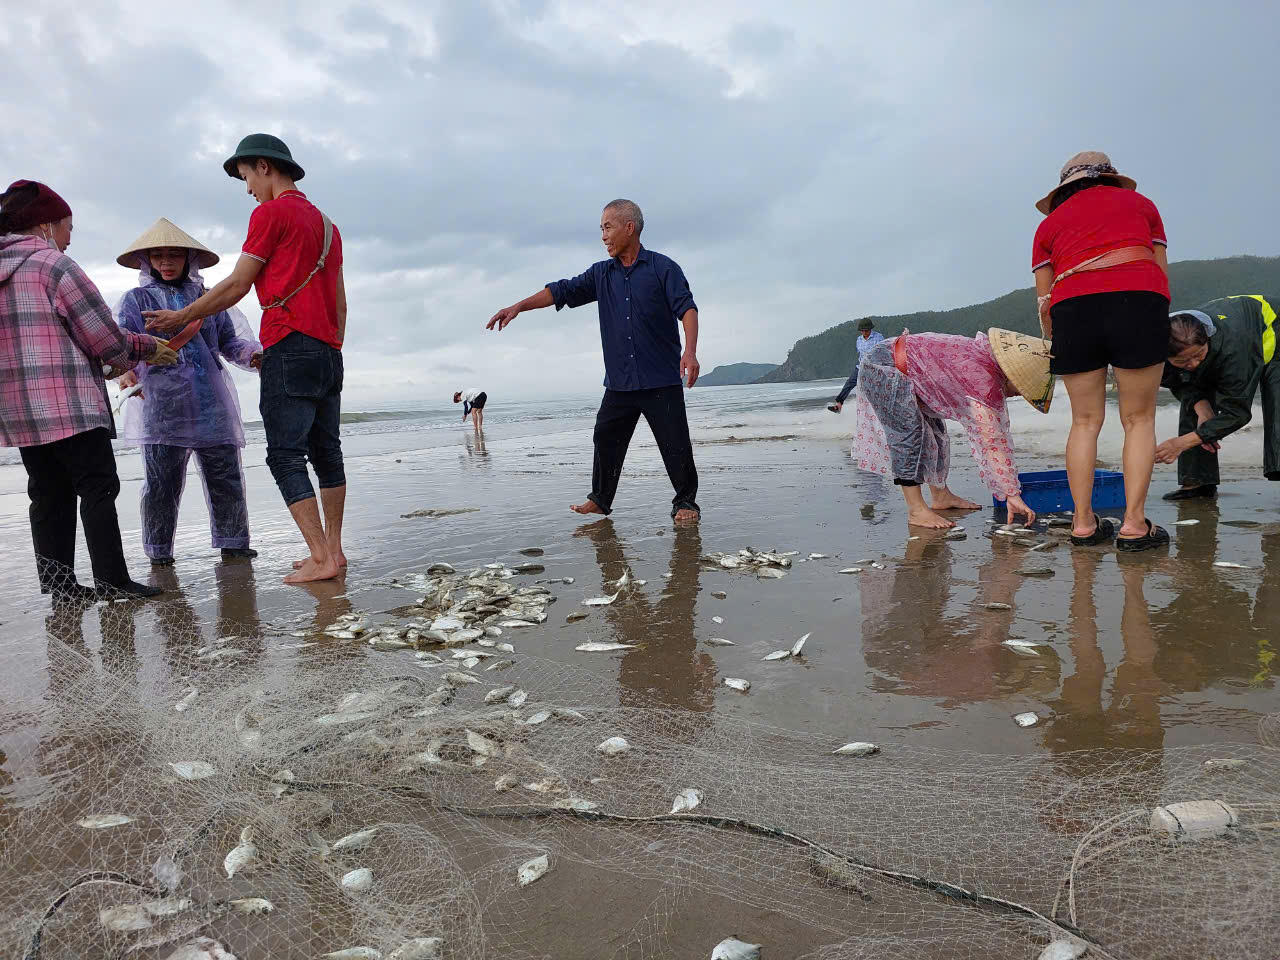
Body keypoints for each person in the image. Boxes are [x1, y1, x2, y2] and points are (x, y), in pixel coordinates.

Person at [139, 134, 348, 584]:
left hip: (288, 344)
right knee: (327, 453)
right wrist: (331, 345)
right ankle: (334, 550)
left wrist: (182, 315)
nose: (248, 189)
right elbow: (340, 299)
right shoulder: (329, 226)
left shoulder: (269, 214)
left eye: (246, 177)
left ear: (264, 167)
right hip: (329, 351)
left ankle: (320, 557)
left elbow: (237, 284)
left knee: (286, 456)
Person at [0, 179, 177, 601]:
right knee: (98, 487)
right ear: (46, 225)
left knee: (46, 493)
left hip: (18, 410)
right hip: (70, 403)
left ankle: (61, 588)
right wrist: (148, 347)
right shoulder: (54, 266)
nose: (68, 238)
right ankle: (113, 582)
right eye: (67, 228)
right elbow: (103, 338)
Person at [486, 199, 701, 523]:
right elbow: (561, 291)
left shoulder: (663, 268)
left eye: (607, 227)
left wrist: (690, 351)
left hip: (660, 378)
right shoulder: (601, 274)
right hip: (620, 382)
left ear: (629, 227)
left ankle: (686, 503)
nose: (603, 236)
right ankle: (600, 500)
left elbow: (687, 309)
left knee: (675, 444)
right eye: (601, 228)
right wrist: (518, 306)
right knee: (605, 436)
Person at [1033, 151, 1171, 551]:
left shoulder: (1048, 226)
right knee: (1139, 419)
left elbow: (1044, 301)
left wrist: (1059, 339)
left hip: (1073, 310)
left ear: (1064, 186)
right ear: (1110, 177)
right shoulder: (1142, 205)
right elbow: (1160, 270)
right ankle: (1134, 524)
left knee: (1084, 421)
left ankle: (1082, 524)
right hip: (1139, 299)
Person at [113, 218, 263, 566]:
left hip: (211, 401)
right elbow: (119, 343)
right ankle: (159, 552)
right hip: (162, 404)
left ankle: (234, 543)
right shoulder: (135, 300)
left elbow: (230, 341)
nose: (166, 262)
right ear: (147, 260)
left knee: (225, 475)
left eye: (174, 255)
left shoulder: (209, 299)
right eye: (158, 256)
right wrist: (124, 372)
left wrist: (252, 355)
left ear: (188, 259)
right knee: (161, 482)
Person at [852, 328, 1047, 529]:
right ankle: (916, 510)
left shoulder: (987, 356)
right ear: (1012, 373)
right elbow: (992, 441)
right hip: (885, 368)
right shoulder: (983, 381)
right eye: (1022, 388)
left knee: (935, 432)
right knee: (908, 437)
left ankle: (941, 496)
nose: (1020, 394)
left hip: (907, 365)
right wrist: (1011, 494)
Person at [1156, 297, 1280, 497]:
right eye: (1182, 361)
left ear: (1207, 338)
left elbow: (1237, 412)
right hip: (1231, 337)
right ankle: (1197, 483)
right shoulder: (1157, 354)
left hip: (1271, 331)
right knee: (1193, 398)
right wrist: (1203, 410)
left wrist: (1181, 443)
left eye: (1198, 354)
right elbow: (1179, 383)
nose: (1193, 363)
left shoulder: (1234, 351)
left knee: (1277, 403)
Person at [830, 318, 886, 412]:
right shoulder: (859, 339)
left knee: (874, 388)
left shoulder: (878, 337)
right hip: (861, 367)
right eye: (862, 330)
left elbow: (883, 352)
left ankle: (879, 408)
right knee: (849, 383)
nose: (864, 332)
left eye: (866, 330)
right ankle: (839, 404)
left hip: (874, 368)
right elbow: (860, 353)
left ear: (870, 329)